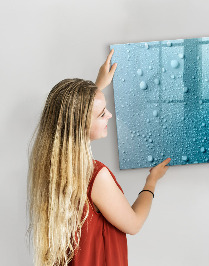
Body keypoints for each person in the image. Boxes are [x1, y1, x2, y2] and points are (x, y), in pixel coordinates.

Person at [27, 50, 171, 266]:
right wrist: (152, 181)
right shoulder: (95, 176)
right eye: (102, 113)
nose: (110, 116)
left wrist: (97, 86)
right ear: (81, 124)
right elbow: (134, 224)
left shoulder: (50, 165)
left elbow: (74, 113)